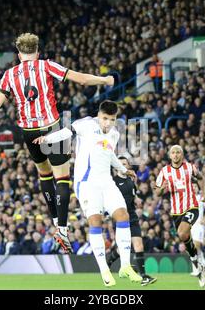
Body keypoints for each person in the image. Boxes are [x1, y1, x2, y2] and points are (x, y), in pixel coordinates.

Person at [0, 33, 114, 253]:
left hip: (28, 130)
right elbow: (81, 79)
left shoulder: (9, 74)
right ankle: (62, 229)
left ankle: (55, 219)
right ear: (37, 51)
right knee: (61, 177)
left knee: (44, 174)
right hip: (51, 127)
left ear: (18, 53)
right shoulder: (46, 66)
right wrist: (105, 80)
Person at [32, 101, 142, 287]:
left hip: (107, 182)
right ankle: (104, 270)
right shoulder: (86, 124)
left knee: (123, 215)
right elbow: (67, 132)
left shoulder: (114, 134)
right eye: (105, 119)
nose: (107, 123)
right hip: (87, 184)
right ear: (99, 115)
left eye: (112, 120)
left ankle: (125, 266)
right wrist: (47, 139)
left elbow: (110, 155)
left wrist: (123, 169)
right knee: (95, 221)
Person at [154, 145, 205, 288]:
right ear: (170, 155)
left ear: (182, 155)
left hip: (192, 206)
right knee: (184, 237)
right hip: (176, 211)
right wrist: (162, 188)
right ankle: (197, 264)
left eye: (178, 152)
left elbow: (201, 178)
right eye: (173, 152)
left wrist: (204, 193)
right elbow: (157, 192)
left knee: (182, 232)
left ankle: (196, 263)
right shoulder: (164, 171)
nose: (176, 155)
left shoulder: (190, 167)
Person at [106, 155, 157, 286]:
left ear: (128, 166)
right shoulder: (112, 182)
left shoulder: (130, 181)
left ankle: (144, 276)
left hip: (132, 217)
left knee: (138, 245)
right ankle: (109, 260)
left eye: (125, 163)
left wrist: (137, 200)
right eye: (120, 163)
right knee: (124, 248)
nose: (123, 165)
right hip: (119, 219)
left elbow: (133, 197)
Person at [190, 183, 205, 276]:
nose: (194, 188)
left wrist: (204, 218)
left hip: (198, 225)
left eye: (195, 186)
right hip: (190, 225)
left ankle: (197, 269)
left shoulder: (201, 198)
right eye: (192, 186)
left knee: (196, 245)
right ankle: (202, 263)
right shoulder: (187, 199)